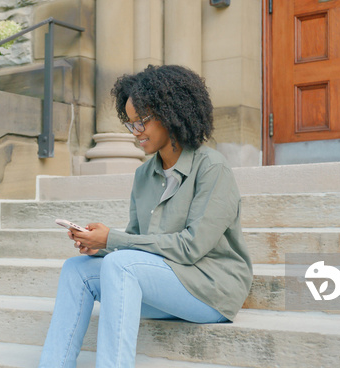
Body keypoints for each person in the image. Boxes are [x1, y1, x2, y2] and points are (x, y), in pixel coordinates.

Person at [38, 64, 253, 368]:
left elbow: (191, 247)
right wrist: (102, 245)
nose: (136, 131)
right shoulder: (144, 175)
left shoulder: (211, 167)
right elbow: (136, 244)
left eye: (143, 121)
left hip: (211, 290)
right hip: (166, 284)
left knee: (120, 264)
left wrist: (113, 240)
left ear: (171, 113)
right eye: (131, 123)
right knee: (77, 270)